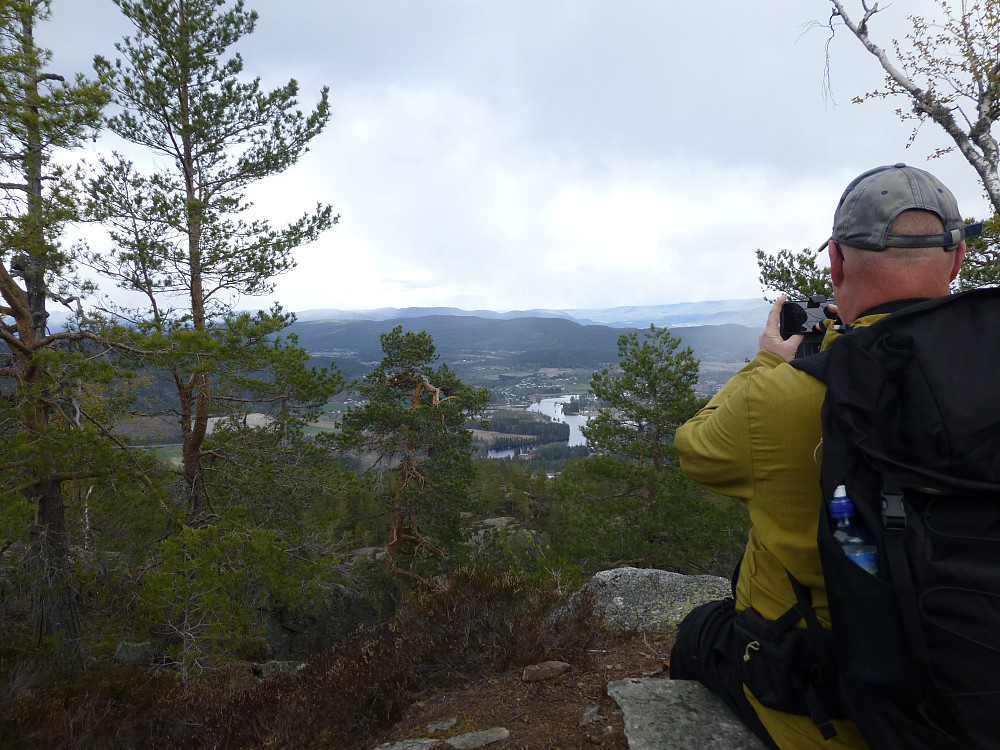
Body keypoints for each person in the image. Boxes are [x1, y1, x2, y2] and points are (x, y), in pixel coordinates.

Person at [668, 163, 971, 750]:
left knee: (697, 634)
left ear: (835, 262)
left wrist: (771, 362)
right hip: (971, 679)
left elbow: (695, 451)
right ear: (957, 262)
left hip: (832, 703)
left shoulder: (785, 394)